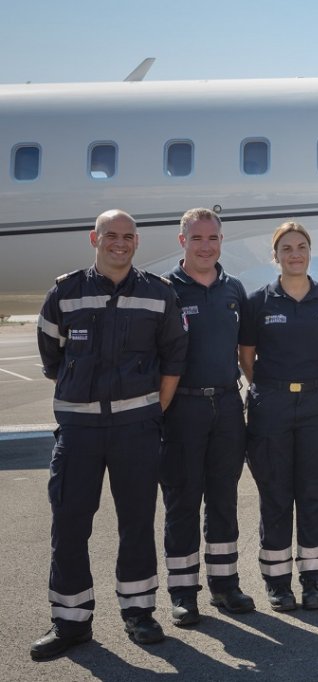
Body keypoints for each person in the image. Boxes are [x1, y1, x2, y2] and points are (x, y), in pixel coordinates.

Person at [32, 210, 187, 660]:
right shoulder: (66, 292)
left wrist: (150, 411)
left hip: (136, 428)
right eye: (110, 236)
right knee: (69, 523)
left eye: (127, 237)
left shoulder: (159, 294)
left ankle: (138, 612)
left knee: (136, 522)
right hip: (79, 429)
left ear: (136, 242)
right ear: (94, 239)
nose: (119, 243)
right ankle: (70, 622)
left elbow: (173, 358)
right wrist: (79, 392)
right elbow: (51, 355)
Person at [238, 222, 318, 612]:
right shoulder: (258, 302)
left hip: (316, 404)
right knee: (276, 496)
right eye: (286, 248)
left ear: (309, 253)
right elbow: (246, 358)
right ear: (275, 256)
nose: (294, 254)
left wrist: (308, 386)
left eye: (301, 246)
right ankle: (278, 582)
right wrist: (273, 388)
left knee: (314, 495)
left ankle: (313, 581)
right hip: (271, 405)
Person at [160, 208, 254, 627]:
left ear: (221, 240)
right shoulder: (164, 290)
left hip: (227, 406)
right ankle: (183, 593)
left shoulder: (233, 289)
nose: (206, 245)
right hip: (182, 407)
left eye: (213, 238)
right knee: (182, 500)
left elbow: (245, 350)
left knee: (224, 497)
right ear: (182, 241)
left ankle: (225, 584)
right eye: (197, 238)